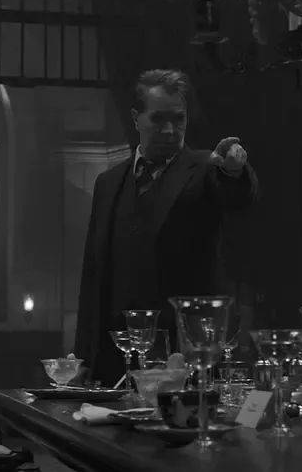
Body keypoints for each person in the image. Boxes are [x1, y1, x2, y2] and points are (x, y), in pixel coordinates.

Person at [74, 69, 259, 384]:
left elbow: (236, 196)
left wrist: (233, 171)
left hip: (183, 357)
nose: (170, 129)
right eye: (159, 119)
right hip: (115, 358)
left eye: (179, 119)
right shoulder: (108, 183)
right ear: (136, 118)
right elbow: (94, 275)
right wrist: (83, 358)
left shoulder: (205, 168)